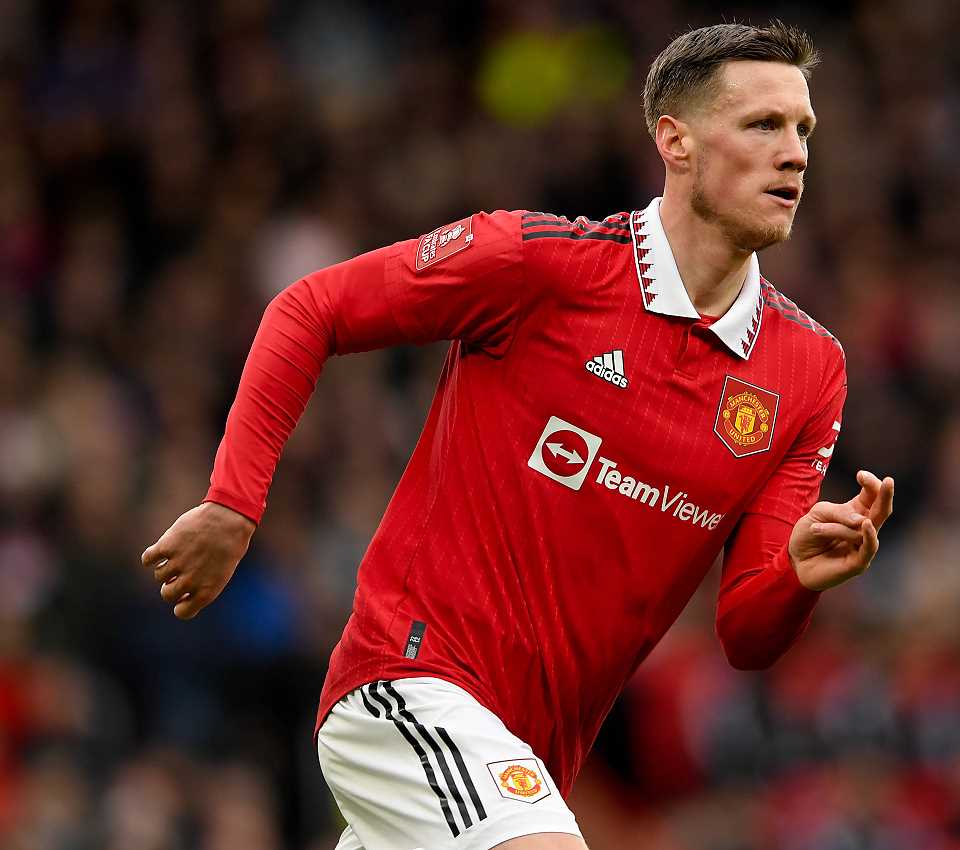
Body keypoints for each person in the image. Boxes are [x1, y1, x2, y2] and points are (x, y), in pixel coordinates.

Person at [142, 21, 894, 850]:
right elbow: (310, 308)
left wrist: (796, 578)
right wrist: (233, 504)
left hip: (532, 758)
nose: (795, 154)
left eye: (803, 130)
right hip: (409, 681)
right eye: (764, 125)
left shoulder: (808, 370)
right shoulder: (540, 265)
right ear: (675, 141)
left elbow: (747, 635)